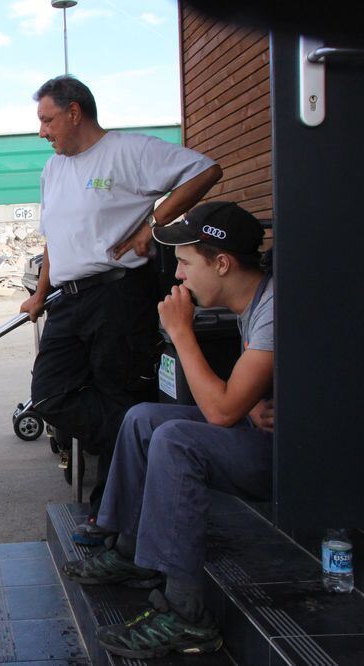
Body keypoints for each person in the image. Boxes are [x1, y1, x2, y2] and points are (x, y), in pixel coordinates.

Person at [62, 201, 273, 659]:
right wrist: (255, 399)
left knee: (177, 441)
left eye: (185, 262)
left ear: (222, 263)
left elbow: (219, 415)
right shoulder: (252, 301)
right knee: (143, 419)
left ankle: (186, 617)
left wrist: (181, 333)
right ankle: (130, 551)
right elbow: (246, 391)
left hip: (293, 461)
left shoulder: (274, 309)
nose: (177, 276)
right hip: (266, 436)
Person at [19, 75, 223, 542]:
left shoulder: (128, 152)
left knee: (116, 394)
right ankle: (139, 445)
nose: (42, 131)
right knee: (50, 394)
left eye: (47, 119)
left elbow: (206, 170)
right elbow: (57, 237)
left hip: (117, 295)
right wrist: (40, 291)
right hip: (67, 301)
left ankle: (110, 513)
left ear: (75, 112)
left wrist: (152, 226)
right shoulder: (53, 170)